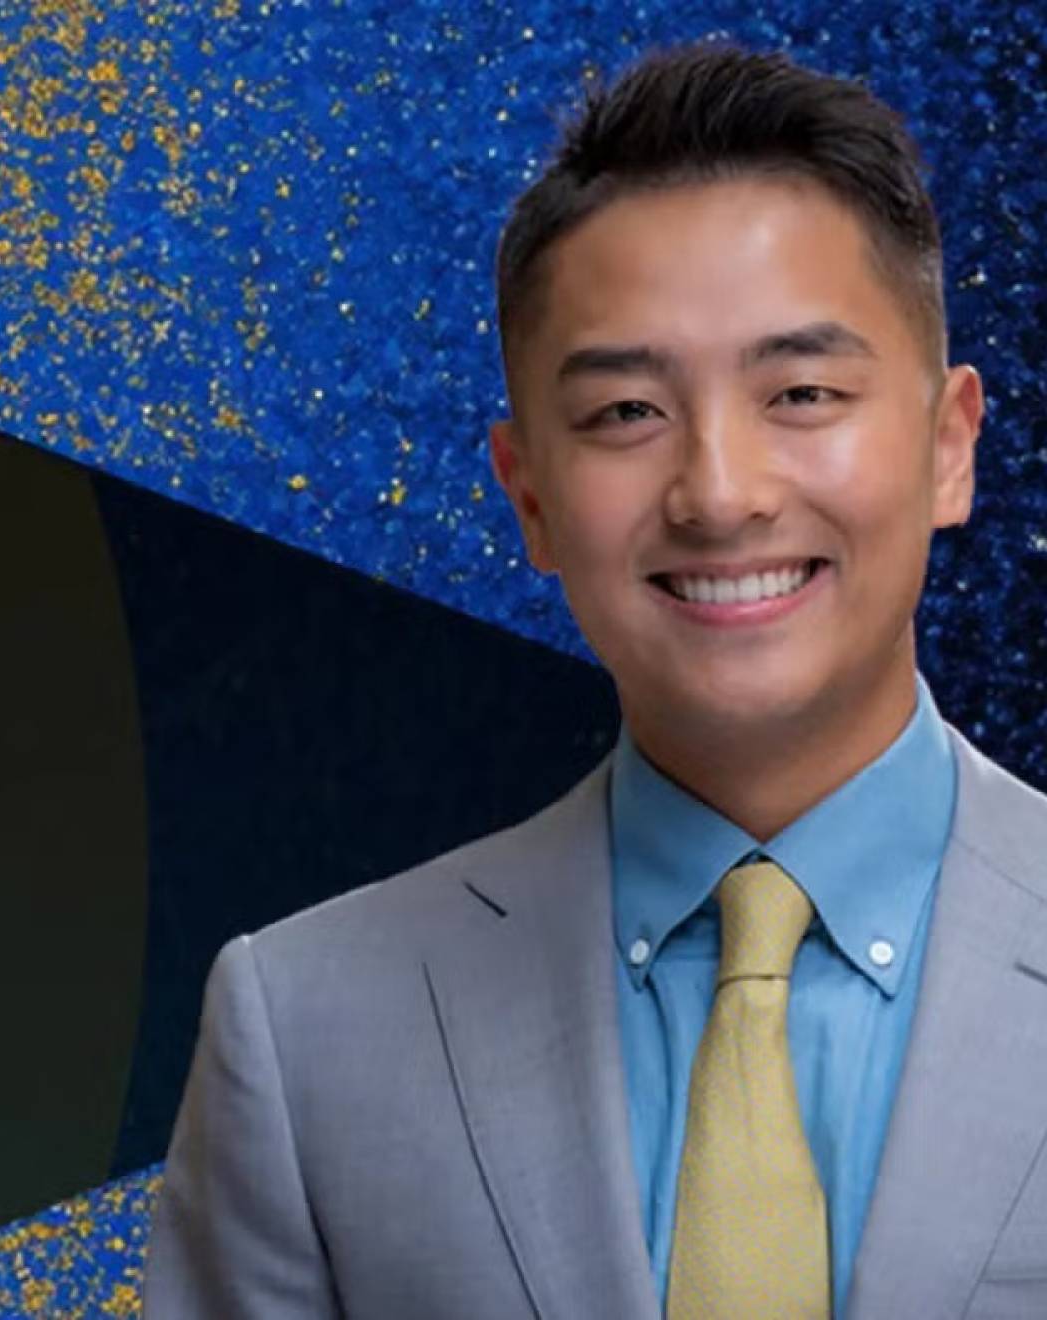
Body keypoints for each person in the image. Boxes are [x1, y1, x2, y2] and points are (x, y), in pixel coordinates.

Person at [142, 42, 1047, 1319]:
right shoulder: (307, 1030)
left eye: (801, 390)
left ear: (950, 447)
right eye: (627, 413)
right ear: (530, 499)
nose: (721, 492)